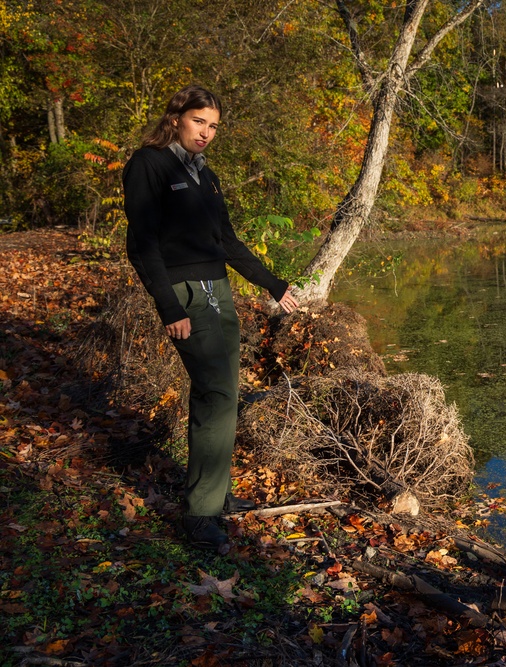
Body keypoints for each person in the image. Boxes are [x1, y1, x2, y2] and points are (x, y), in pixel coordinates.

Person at [123, 85, 299, 550]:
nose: (207, 132)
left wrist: (272, 283)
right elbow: (141, 244)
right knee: (217, 390)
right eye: (200, 121)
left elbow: (227, 240)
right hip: (184, 293)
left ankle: (214, 494)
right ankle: (200, 514)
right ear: (177, 117)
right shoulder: (149, 164)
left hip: (218, 289)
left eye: (214, 125)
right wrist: (168, 306)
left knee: (224, 392)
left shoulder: (206, 175)